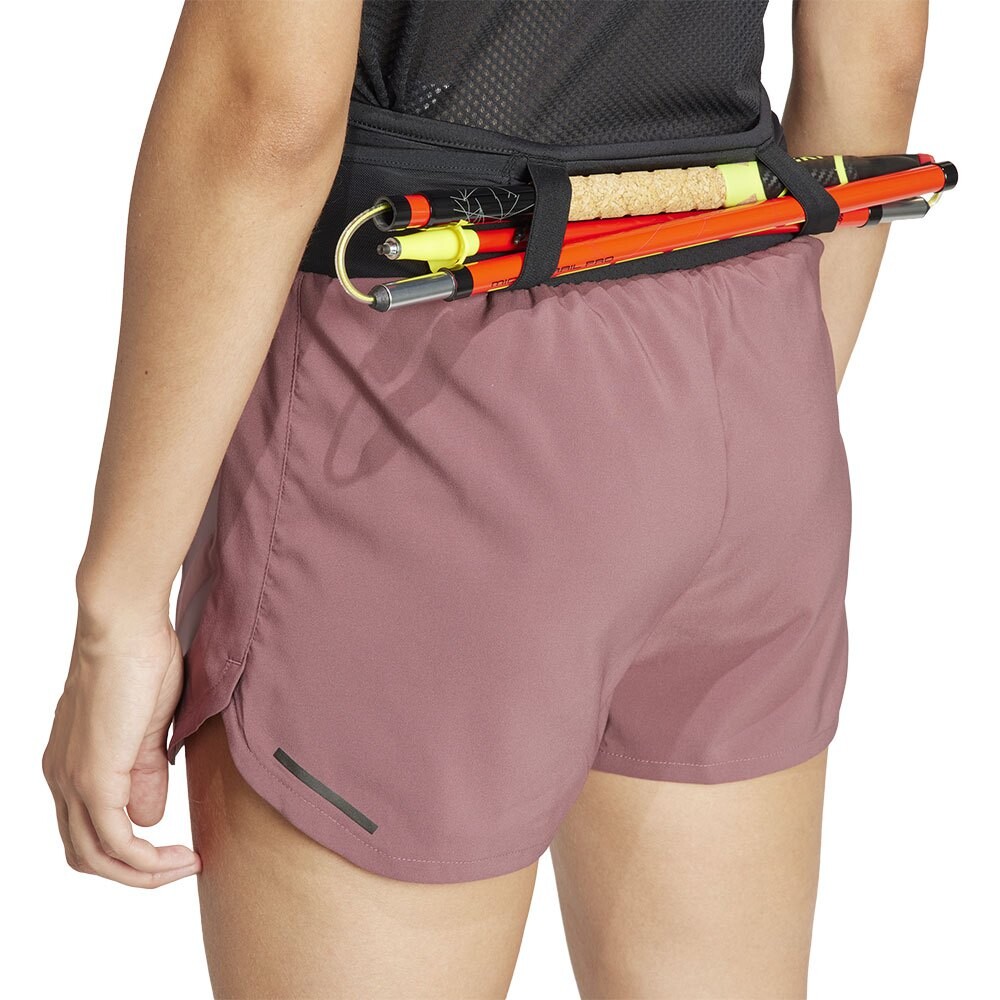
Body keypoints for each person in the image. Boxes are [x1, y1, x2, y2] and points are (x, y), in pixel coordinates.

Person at [41, 1, 928, 996]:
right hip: (756, 379)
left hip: (427, 385)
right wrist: (761, 400)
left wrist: (119, 608)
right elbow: (877, 59)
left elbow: (267, 111)